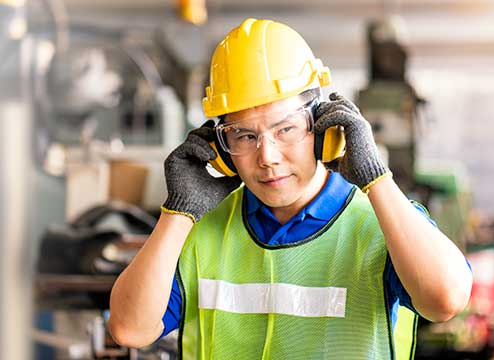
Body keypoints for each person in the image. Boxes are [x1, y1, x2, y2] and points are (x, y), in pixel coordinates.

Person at [108, 18, 472, 359]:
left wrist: (376, 179)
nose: (266, 156)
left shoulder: (384, 224)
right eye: (244, 136)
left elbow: (445, 300)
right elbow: (129, 329)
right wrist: (176, 214)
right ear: (219, 146)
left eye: (286, 130)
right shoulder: (199, 232)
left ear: (324, 127)